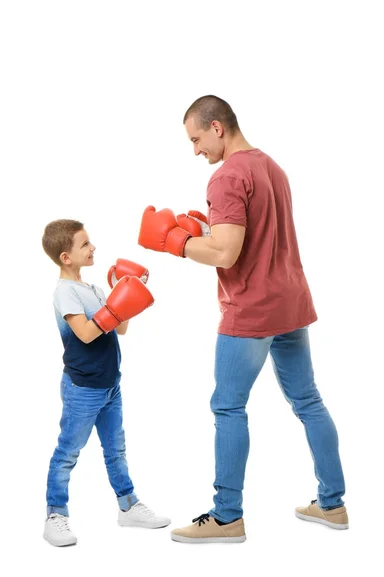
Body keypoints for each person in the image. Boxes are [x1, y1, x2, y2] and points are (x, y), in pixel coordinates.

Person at [138, 95, 348, 544]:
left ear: (217, 128)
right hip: (291, 301)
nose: (195, 150)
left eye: (196, 139)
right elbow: (254, 236)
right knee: (308, 401)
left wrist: (172, 241)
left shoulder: (227, 176)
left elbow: (227, 253)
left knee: (227, 406)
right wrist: (205, 229)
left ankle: (227, 516)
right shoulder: (271, 166)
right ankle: (333, 504)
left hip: (251, 310)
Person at [41, 219, 170, 546]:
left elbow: (119, 329)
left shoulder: (94, 290)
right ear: (66, 257)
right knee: (68, 451)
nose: (93, 248)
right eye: (85, 244)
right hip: (82, 389)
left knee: (116, 448)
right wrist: (116, 304)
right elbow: (85, 333)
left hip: (110, 384)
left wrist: (123, 292)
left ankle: (127, 506)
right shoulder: (64, 292)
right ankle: (55, 515)